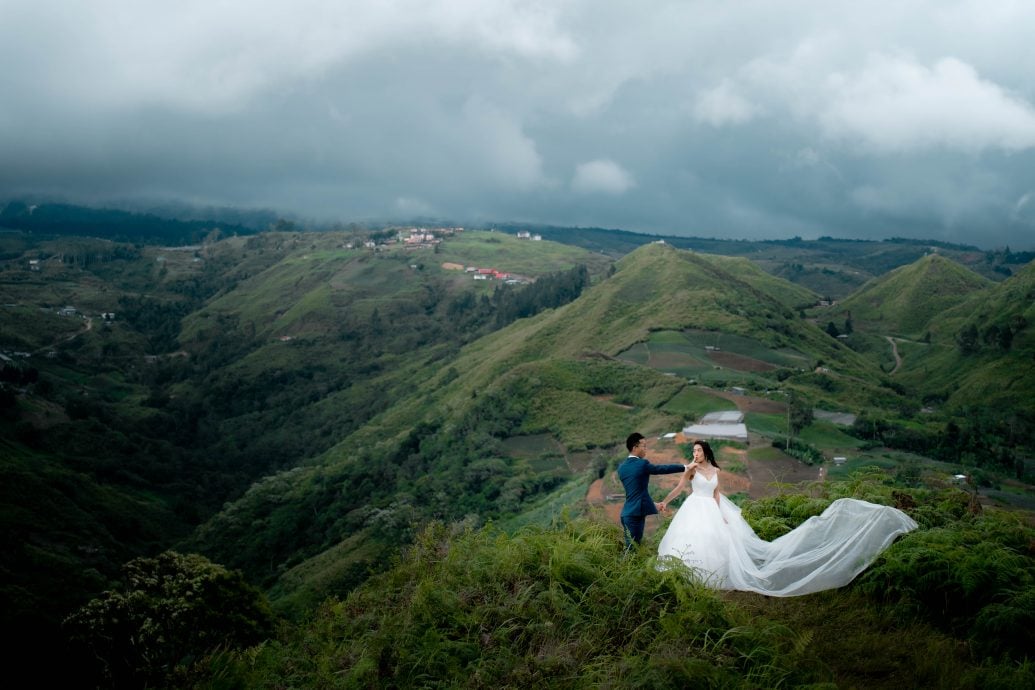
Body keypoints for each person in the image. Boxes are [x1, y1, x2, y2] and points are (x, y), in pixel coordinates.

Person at [656, 439, 918, 596]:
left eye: (698, 451)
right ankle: (687, 578)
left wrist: (723, 515)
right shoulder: (690, 470)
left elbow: (717, 493)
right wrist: (665, 502)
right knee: (691, 540)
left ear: (706, 453)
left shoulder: (715, 470)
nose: (695, 454)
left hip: (711, 509)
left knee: (714, 543)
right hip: (693, 507)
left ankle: (710, 577)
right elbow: (680, 488)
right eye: (694, 451)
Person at [618, 432, 689, 551]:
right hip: (635, 516)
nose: (646, 449)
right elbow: (661, 469)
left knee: (631, 548)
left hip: (626, 514)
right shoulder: (642, 464)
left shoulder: (622, 467)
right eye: (644, 446)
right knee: (632, 551)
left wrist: (654, 504)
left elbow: (636, 493)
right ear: (635, 447)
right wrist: (685, 467)